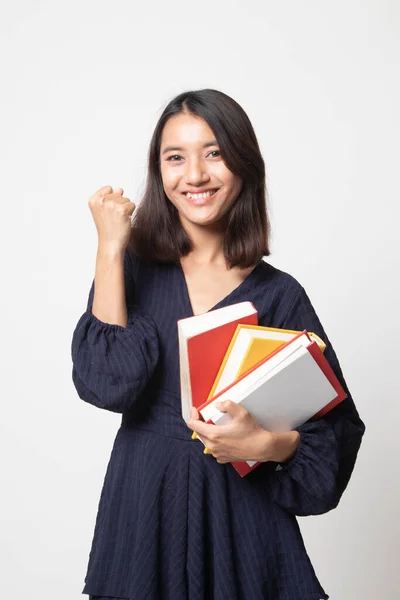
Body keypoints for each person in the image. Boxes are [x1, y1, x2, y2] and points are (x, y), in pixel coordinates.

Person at [71, 89, 365, 600]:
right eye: (175, 157)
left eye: (214, 152)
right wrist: (111, 247)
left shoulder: (280, 295)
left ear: (243, 164)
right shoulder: (132, 271)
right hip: (144, 514)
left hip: (243, 524)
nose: (196, 175)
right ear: (159, 172)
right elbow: (106, 383)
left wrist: (270, 445)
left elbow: (334, 438)